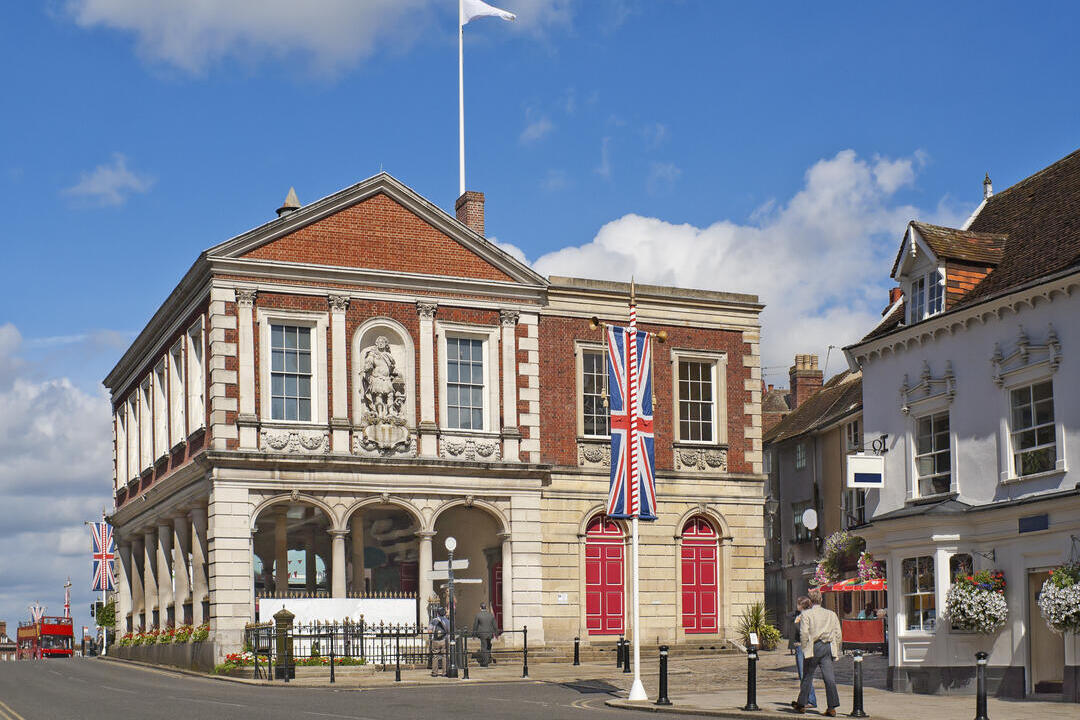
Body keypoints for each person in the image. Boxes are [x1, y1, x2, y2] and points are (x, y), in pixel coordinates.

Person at [792, 588, 842, 716]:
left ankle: (801, 704)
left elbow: (803, 633)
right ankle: (832, 707)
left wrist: (804, 647)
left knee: (808, 676)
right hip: (827, 646)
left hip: (813, 646)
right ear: (821, 600)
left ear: (810, 600)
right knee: (829, 677)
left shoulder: (806, 614)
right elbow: (838, 634)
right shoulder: (831, 614)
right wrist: (836, 648)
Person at [790, 597, 817, 709]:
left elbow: (805, 631)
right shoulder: (799, 615)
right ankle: (806, 699)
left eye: (798, 604)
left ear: (802, 605)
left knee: (804, 674)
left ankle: (810, 700)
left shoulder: (806, 616)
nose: (796, 606)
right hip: (799, 646)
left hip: (804, 647)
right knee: (804, 675)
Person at [472, 602, 498, 667]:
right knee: (488, 646)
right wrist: (496, 634)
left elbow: (475, 625)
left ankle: (485, 662)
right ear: (485, 608)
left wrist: (474, 634)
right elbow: (495, 625)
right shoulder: (491, 615)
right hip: (489, 633)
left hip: (482, 633)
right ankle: (488, 658)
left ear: (480, 608)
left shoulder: (478, 615)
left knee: (484, 647)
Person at [428, 607, 450, 677]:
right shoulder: (447, 621)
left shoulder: (434, 621)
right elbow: (449, 631)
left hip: (435, 640)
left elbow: (429, 631)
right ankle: (444, 672)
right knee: (444, 656)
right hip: (444, 640)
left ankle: (434, 672)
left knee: (435, 656)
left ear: (437, 613)